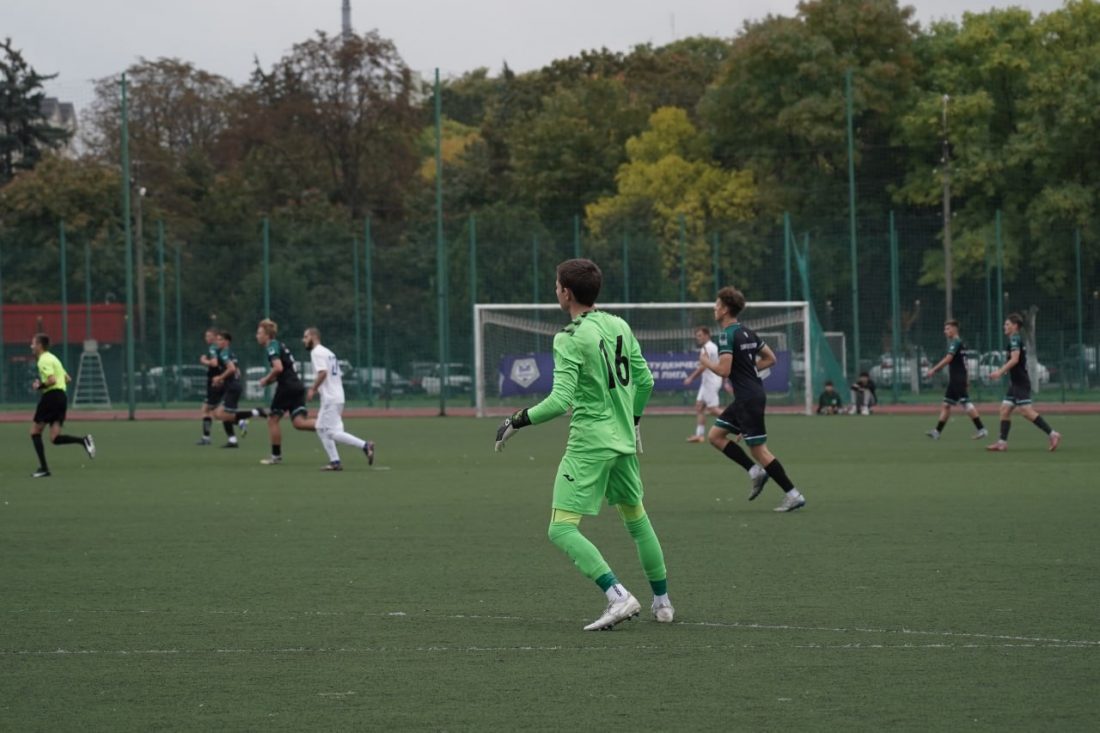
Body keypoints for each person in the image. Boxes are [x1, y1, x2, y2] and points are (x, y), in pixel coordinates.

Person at [493, 258, 672, 631]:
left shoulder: (569, 337)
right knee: (637, 520)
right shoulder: (619, 325)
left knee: (560, 528)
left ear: (567, 293)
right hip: (623, 441)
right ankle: (663, 603)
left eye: (557, 284)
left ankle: (618, 596)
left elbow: (559, 402)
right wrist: (634, 420)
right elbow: (646, 381)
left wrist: (516, 420)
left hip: (589, 443)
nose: (555, 290)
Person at [700, 286, 807, 512]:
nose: (714, 308)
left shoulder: (726, 335)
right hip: (749, 396)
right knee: (715, 436)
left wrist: (706, 362)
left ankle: (793, 494)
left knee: (759, 450)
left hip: (747, 398)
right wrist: (748, 370)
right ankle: (755, 472)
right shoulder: (748, 332)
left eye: (717, 305)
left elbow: (724, 370)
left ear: (725, 309)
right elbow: (771, 358)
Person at [302, 327, 375, 471]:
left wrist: (312, 389)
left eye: (305, 337)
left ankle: (365, 446)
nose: (303, 340)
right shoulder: (329, 352)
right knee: (320, 427)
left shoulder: (316, 352)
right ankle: (335, 462)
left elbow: (323, 373)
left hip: (330, 398)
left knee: (330, 432)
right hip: (336, 396)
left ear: (313, 337)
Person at [986, 313, 1061, 452]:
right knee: (1004, 409)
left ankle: (1053, 434)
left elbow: (1015, 359)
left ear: (1015, 326)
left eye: (1007, 324)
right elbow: (1015, 361)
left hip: (1021, 383)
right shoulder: (1014, 340)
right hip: (1015, 383)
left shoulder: (1015, 339)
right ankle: (1002, 443)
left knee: (1026, 411)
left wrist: (999, 372)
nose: (1004, 326)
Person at [28, 333, 95, 477]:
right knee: (54, 438)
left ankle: (44, 469)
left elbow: (52, 380)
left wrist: (39, 386)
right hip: (61, 398)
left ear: (39, 345)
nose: (31, 346)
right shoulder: (54, 358)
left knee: (35, 432)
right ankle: (83, 441)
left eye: (33, 343)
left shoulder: (43, 360)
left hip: (51, 397)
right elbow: (67, 378)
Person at [255, 319, 315, 464]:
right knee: (299, 423)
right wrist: (268, 381)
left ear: (267, 335)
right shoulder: (279, 345)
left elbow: (278, 368)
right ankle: (330, 428)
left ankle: (276, 456)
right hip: (296, 386)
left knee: (272, 419)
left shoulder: (272, 346)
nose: (257, 336)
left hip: (287, 387)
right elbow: (283, 371)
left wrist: (266, 379)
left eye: (259, 333)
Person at [925, 320, 987, 440]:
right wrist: (967, 378)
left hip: (958, 379)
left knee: (966, 404)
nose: (945, 331)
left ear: (955, 329)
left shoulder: (956, 342)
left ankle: (982, 429)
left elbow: (948, 359)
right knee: (946, 405)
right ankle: (937, 432)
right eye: (945, 329)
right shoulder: (961, 343)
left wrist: (934, 369)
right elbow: (965, 363)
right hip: (956, 379)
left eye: (948, 329)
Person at [209, 331, 264, 448]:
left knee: (222, 414)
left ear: (227, 341)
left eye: (220, 339)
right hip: (232, 386)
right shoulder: (229, 353)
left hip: (232, 388)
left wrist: (220, 378)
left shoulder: (224, 353)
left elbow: (232, 369)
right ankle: (233, 438)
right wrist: (223, 380)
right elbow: (237, 371)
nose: (217, 341)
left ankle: (254, 413)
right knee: (219, 413)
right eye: (217, 339)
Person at [682, 326, 724, 442]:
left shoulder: (708, 348)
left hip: (711, 381)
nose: (698, 338)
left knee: (713, 409)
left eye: (700, 335)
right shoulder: (709, 347)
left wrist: (690, 378)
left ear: (707, 335)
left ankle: (738, 422)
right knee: (699, 406)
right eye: (697, 336)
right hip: (707, 382)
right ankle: (699, 436)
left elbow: (703, 367)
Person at [197, 327, 222, 445]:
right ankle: (206, 437)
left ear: (215, 337)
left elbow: (214, 363)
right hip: (218, 382)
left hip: (215, 383)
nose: (206, 338)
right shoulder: (220, 348)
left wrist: (204, 361)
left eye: (208, 336)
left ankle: (240, 420)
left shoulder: (213, 347)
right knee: (213, 410)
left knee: (208, 410)